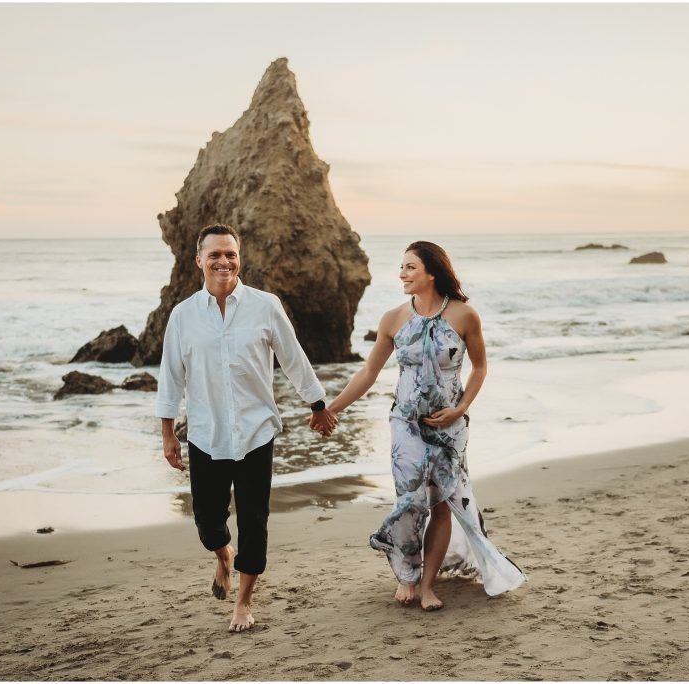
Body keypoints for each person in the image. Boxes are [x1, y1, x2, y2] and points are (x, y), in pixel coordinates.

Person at [318, 241, 526, 610]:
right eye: (401, 267)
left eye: (410, 267)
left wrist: (460, 408)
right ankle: (407, 576)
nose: (402, 273)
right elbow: (368, 372)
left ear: (432, 272)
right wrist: (331, 408)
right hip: (406, 426)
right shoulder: (393, 319)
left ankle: (427, 584)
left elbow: (479, 368)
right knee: (410, 503)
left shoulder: (464, 316)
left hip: (450, 428)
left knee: (443, 503)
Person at [156, 223, 336, 632]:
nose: (224, 262)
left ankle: (244, 601)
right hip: (206, 433)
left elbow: (293, 357)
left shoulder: (265, 305)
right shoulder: (183, 316)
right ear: (198, 260)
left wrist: (318, 403)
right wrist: (167, 434)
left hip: (257, 432)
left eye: (231, 254)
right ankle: (223, 558)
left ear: (240, 258)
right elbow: (170, 377)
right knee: (207, 522)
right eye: (215, 254)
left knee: (254, 521)